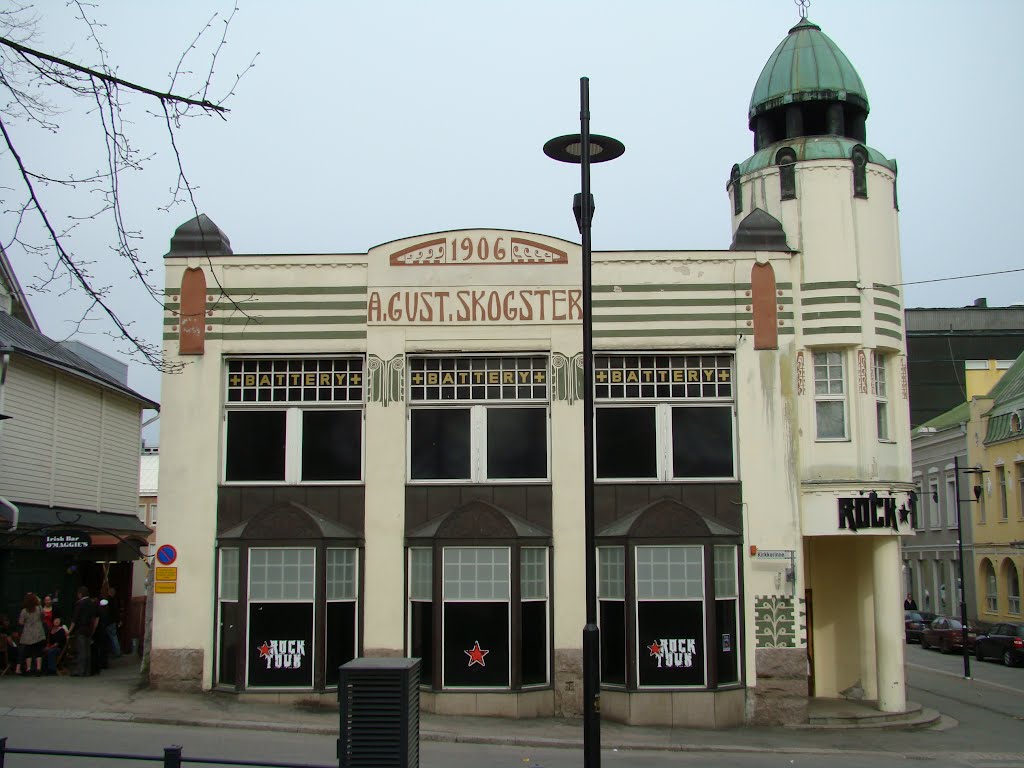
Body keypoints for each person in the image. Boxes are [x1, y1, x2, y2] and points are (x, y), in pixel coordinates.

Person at [68, 586, 98, 677]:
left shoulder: (79, 604)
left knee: (81, 650)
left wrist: (69, 631)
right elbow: (94, 617)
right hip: (89, 629)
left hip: (80, 629)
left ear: (80, 594)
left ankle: (80, 670)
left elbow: (75, 618)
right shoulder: (92, 603)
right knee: (87, 650)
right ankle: (87, 670)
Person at [17, 592, 46, 676]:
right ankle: (38, 669)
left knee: (28, 652)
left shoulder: (24, 611)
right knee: (38, 651)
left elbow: (21, 622)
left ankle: (29, 669)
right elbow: (43, 617)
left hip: (28, 633)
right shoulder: (39, 608)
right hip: (38, 632)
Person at [104, 586, 121, 658]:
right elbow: (116, 612)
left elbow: (106, 612)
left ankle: (115, 652)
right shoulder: (115, 601)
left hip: (108, 622)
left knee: (110, 637)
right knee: (114, 637)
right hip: (113, 621)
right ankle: (117, 651)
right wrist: (118, 620)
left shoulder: (107, 601)